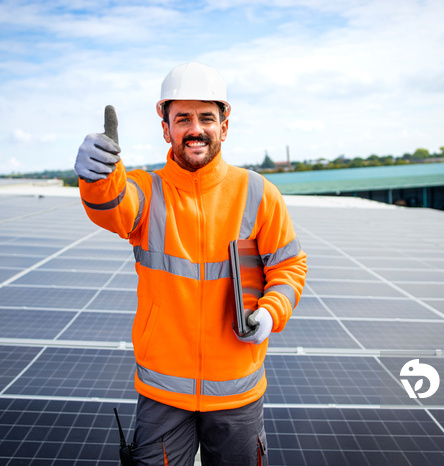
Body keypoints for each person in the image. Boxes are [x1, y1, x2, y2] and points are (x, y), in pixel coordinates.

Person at [74, 62, 307, 465]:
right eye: (182, 118)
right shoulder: (146, 192)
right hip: (164, 392)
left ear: (224, 126)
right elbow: (111, 207)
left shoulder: (258, 192)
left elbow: (289, 267)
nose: (195, 128)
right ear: (166, 128)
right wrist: (99, 176)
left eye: (206, 118)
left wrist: (270, 313)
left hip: (236, 390)